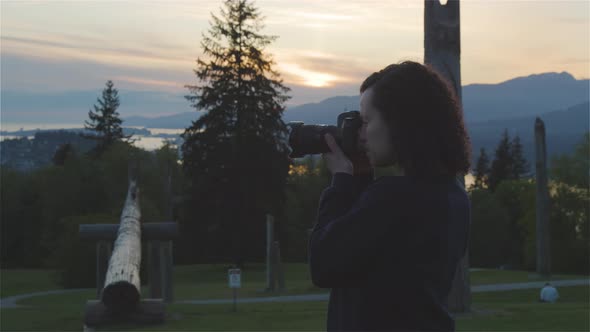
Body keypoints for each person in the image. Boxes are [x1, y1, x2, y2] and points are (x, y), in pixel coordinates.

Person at [308, 61, 472, 331]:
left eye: (367, 121)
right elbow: (372, 259)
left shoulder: (393, 198)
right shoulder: (453, 197)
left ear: (399, 124)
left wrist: (341, 180)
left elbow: (324, 263)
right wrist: (360, 176)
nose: (361, 135)